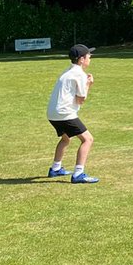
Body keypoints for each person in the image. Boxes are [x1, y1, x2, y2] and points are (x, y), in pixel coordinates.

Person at [46, 44, 98, 183]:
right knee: (87, 139)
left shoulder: (68, 71)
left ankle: (56, 168)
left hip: (52, 114)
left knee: (66, 138)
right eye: (88, 56)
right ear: (81, 59)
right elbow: (81, 100)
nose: (90, 58)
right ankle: (78, 174)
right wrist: (88, 84)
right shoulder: (79, 74)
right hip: (64, 114)